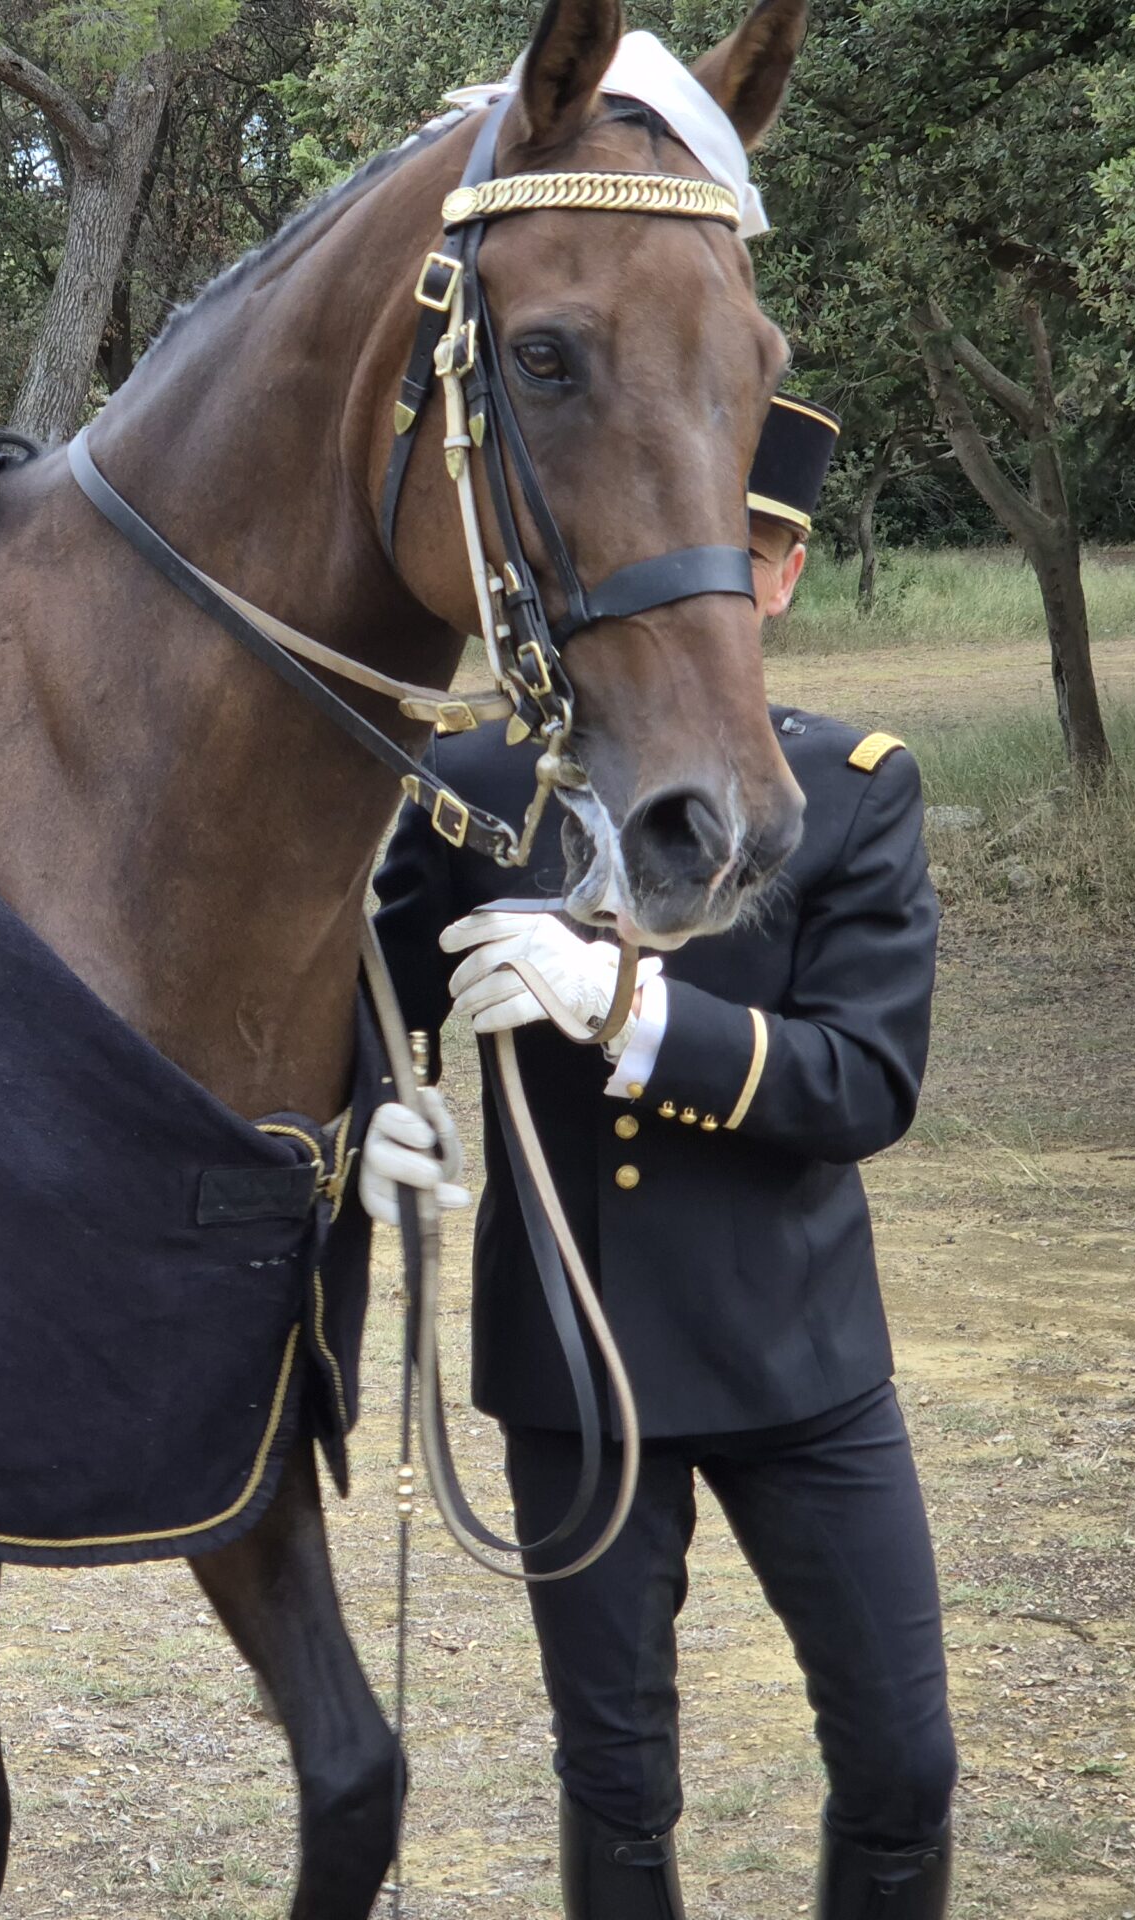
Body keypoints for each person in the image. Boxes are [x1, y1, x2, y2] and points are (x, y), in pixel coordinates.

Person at [362, 396, 957, 1918]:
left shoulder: (856, 789)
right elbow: (360, 987)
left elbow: (865, 1082)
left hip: (799, 1358)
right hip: (578, 1360)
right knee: (617, 1778)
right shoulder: (488, 784)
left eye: (742, 552)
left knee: (902, 1763)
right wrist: (376, 1098)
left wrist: (634, 1010)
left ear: (783, 577)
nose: (702, 579)